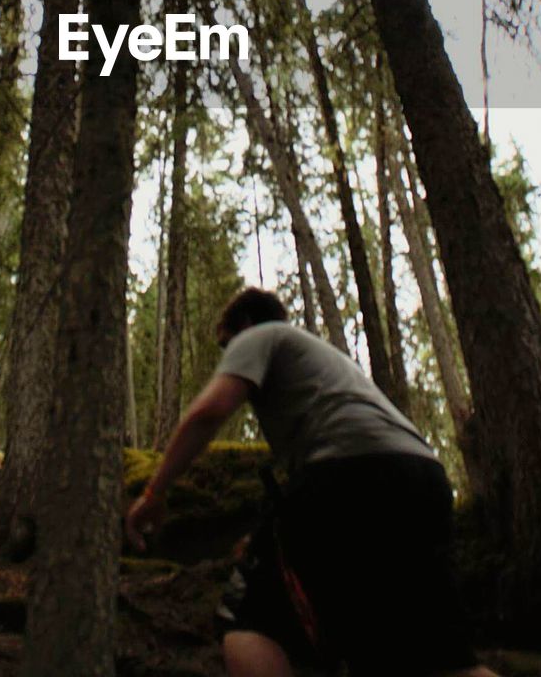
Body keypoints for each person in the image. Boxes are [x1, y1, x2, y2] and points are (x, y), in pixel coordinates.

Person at [126, 287, 498, 677]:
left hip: (351, 474)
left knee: (252, 621)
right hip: (423, 479)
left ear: (246, 325)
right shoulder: (324, 365)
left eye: (225, 345)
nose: (226, 356)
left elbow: (209, 411)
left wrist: (155, 491)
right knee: (441, 654)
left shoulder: (258, 336)